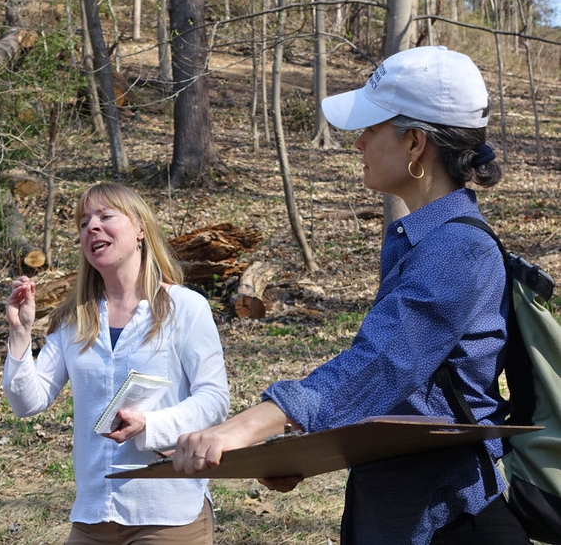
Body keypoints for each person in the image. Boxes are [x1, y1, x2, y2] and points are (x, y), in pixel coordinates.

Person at [172, 46, 531, 545]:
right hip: (397, 510)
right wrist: (301, 449)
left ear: (414, 143)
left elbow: (382, 364)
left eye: (371, 128)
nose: (358, 141)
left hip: (449, 520)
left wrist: (247, 427)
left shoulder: (457, 249)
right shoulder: (425, 240)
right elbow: (403, 396)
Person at [3, 182, 230, 545]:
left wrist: (151, 425)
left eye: (106, 216)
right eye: (83, 222)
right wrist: (20, 333)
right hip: (94, 513)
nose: (92, 227)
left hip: (166, 512)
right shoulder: (73, 318)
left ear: (140, 229)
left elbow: (215, 399)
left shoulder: (185, 307)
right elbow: (27, 402)